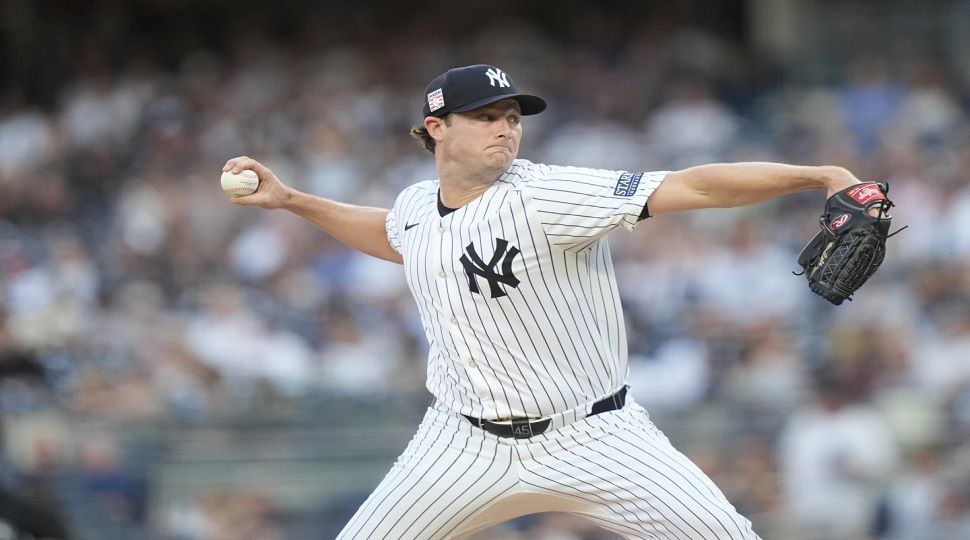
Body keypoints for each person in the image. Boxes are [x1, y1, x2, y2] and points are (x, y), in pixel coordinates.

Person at [223, 64, 865, 539]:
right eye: (485, 117)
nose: (505, 129)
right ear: (436, 128)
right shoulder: (418, 205)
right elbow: (395, 237)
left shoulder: (546, 196)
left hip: (595, 433)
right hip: (460, 442)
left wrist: (817, 176)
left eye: (512, 117)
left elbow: (690, 185)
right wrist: (293, 201)